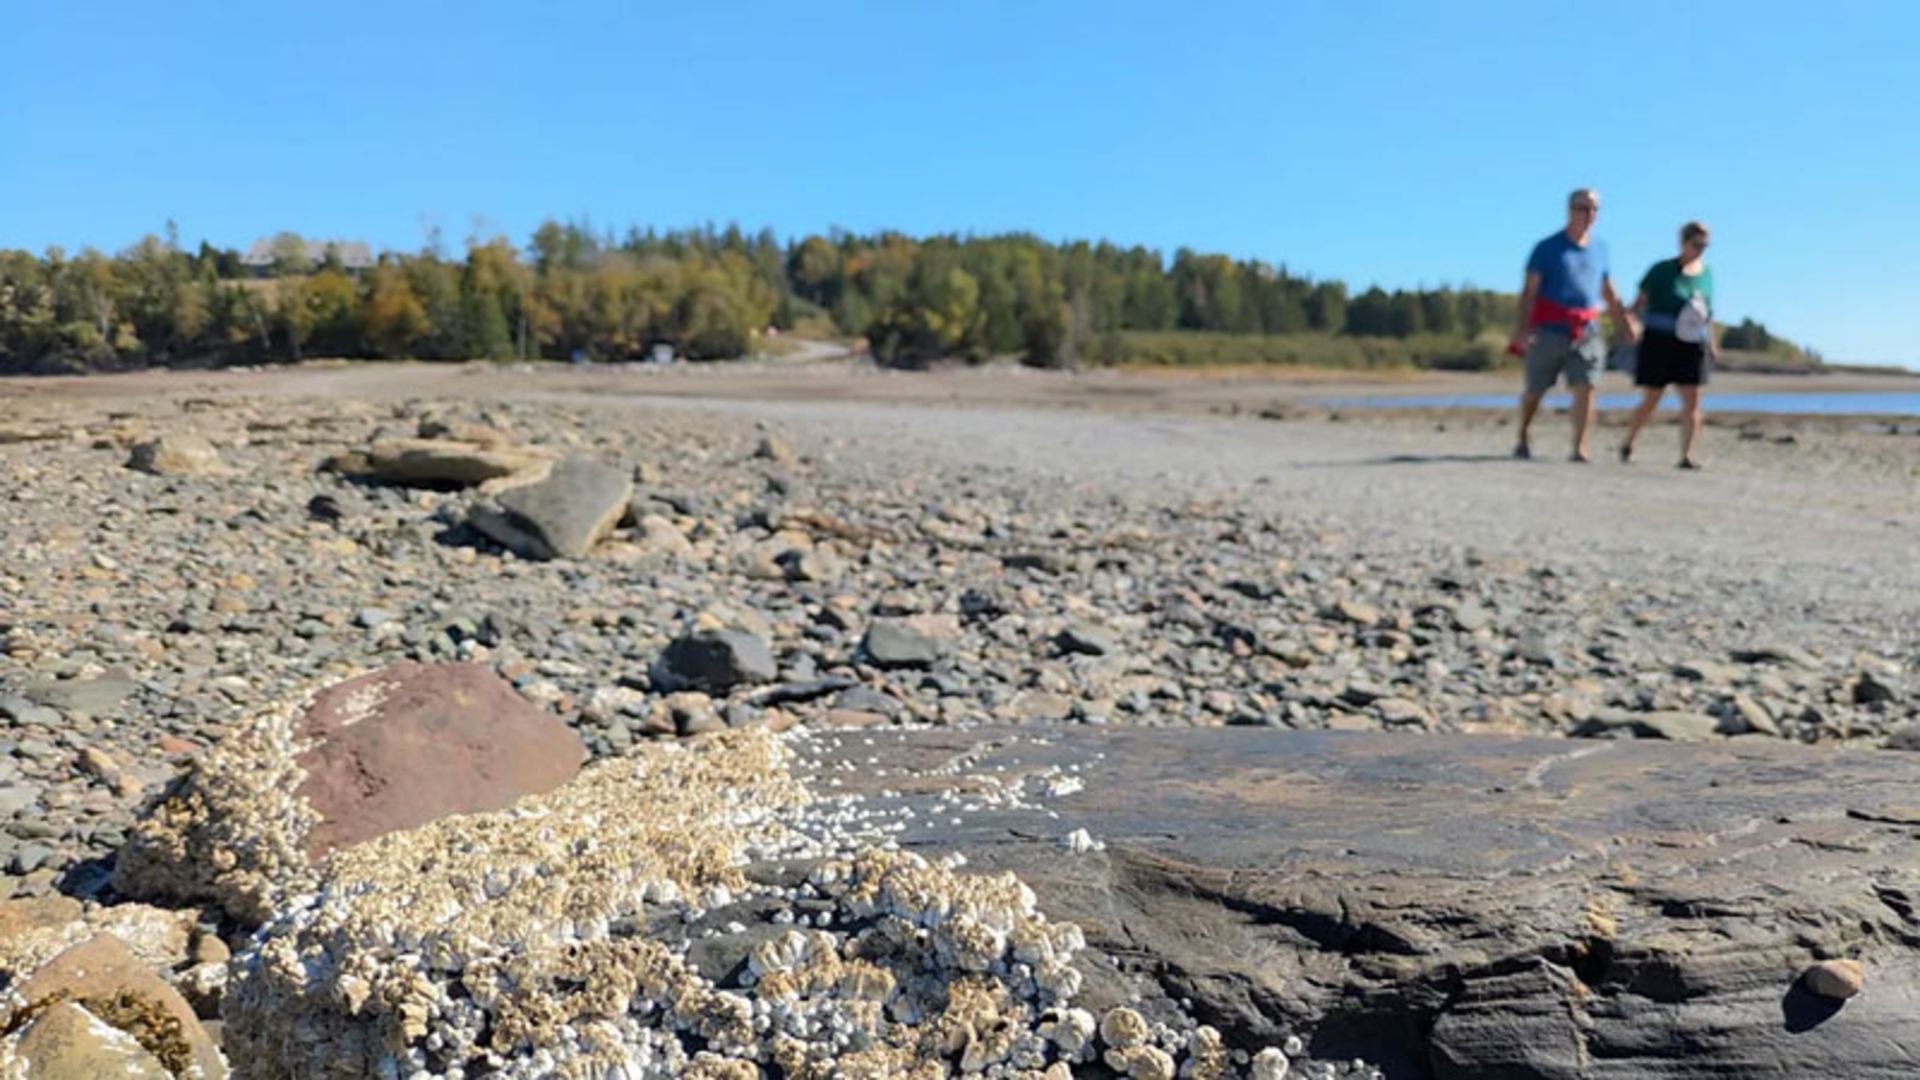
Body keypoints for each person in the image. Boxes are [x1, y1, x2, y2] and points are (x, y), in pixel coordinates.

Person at [1507, 189, 1632, 462]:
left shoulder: (1601, 249)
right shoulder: (1546, 248)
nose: (1588, 214)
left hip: (1587, 330)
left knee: (1586, 385)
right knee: (1535, 389)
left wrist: (1625, 322)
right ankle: (1523, 434)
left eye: (1594, 209)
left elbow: (1609, 291)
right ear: (1569, 210)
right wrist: (1522, 329)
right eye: (1582, 208)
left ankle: (1579, 446)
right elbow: (1529, 293)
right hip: (1549, 328)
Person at [1619, 222, 1716, 469]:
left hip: (1692, 341)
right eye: (1696, 244)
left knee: (1692, 398)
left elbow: (1707, 312)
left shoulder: (1706, 275)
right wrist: (1628, 323)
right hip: (1660, 339)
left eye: (1704, 246)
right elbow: (1638, 303)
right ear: (1683, 242)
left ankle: (1687, 454)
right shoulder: (1661, 270)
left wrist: (1712, 342)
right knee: (1653, 396)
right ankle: (1629, 440)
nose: (1700, 250)